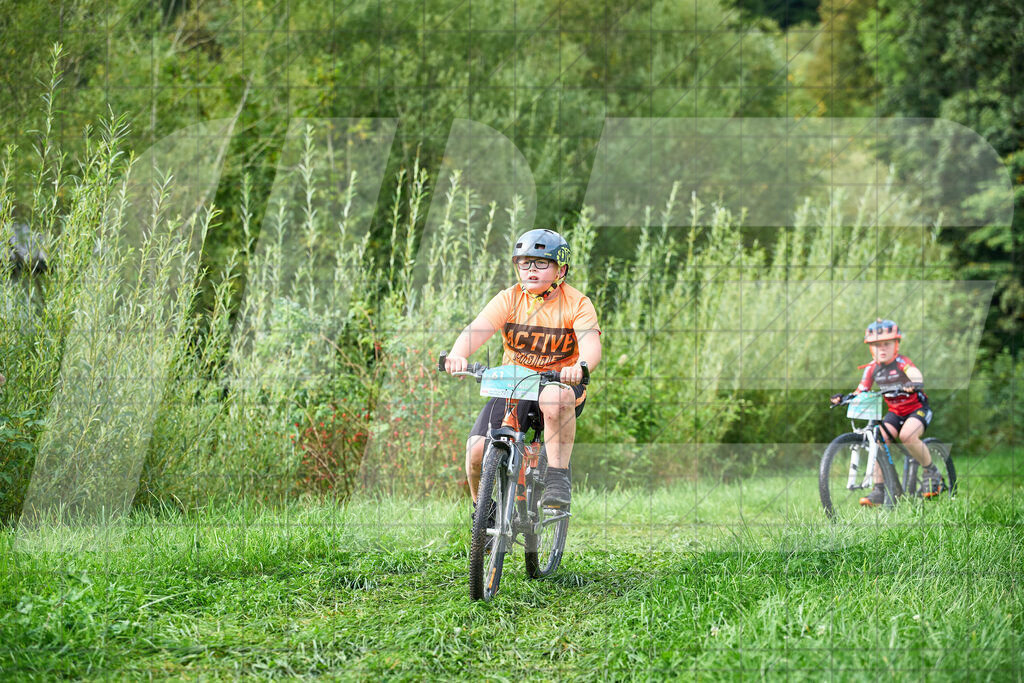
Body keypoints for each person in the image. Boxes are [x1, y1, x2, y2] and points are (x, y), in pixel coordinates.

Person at [443, 228, 602, 510]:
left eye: (541, 263)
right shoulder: (509, 298)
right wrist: (457, 355)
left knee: (554, 398)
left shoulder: (578, 303)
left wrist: (580, 366)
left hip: (560, 381)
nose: (531, 269)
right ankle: (484, 513)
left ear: (561, 270)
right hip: (515, 382)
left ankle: (557, 478)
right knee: (476, 450)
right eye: (524, 262)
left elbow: (590, 343)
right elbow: (477, 329)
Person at [831, 318, 943, 505]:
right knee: (877, 440)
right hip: (895, 413)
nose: (881, 349)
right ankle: (881, 489)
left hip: (917, 409)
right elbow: (861, 390)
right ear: (870, 348)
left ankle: (931, 471)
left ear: (896, 345)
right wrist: (844, 398)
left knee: (907, 436)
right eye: (876, 345)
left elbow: (915, 373)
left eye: (886, 344)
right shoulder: (872, 369)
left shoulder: (901, 362)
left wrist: (913, 383)